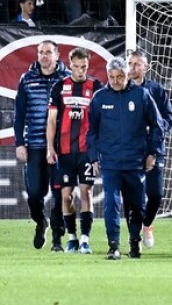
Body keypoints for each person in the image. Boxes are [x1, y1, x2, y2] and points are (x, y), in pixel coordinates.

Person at [87, 57, 165, 260]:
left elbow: (157, 125)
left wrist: (152, 153)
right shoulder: (99, 98)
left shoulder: (142, 95)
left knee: (137, 206)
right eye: (111, 77)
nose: (115, 81)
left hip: (135, 161)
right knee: (111, 204)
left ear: (126, 75)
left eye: (120, 77)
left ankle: (134, 241)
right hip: (110, 162)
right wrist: (93, 156)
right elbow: (92, 131)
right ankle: (113, 245)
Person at [46, 47, 102, 254]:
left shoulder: (96, 87)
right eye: (76, 67)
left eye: (84, 67)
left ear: (88, 65)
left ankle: (85, 239)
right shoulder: (59, 87)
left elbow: (102, 120)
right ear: (70, 65)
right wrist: (50, 148)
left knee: (86, 193)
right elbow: (52, 120)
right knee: (66, 197)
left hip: (87, 151)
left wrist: (98, 151)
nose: (80, 71)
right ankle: (72, 238)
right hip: (65, 152)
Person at [14, 40, 69, 252]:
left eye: (48, 52)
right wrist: (20, 143)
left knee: (59, 194)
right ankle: (40, 221)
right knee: (35, 194)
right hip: (35, 144)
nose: (44, 56)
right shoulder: (27, 79)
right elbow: (19, 115)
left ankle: (57, 239)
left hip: (61, 146)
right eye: (41, 52)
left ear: (57, 55)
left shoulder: (66, 79)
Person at [122, 50, 172, 250]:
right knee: (129, 195)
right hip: (129, 150)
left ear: (146, 67)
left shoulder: (156, 89)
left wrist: (155, 130)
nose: (132, 68)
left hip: (153, 148)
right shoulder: (121, 89)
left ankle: (147, 224)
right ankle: (133, 236)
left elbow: (169, 117)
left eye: (137, 64)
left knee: (155, 194)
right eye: (130, 63)